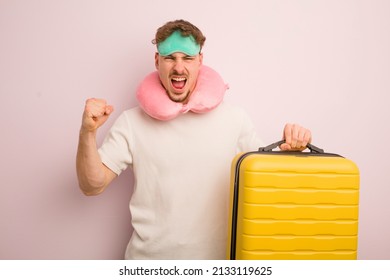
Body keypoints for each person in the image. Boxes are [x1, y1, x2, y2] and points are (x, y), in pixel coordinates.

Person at [76, 19, 312, 260]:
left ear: (200, 61)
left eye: (187, 58)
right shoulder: (131, 122)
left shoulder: (235, 119)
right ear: (157, 61)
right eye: (170, 58)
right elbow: (91, 185)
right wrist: (88, 132)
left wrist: (293, 148)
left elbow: (269, 181)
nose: (179, 68)